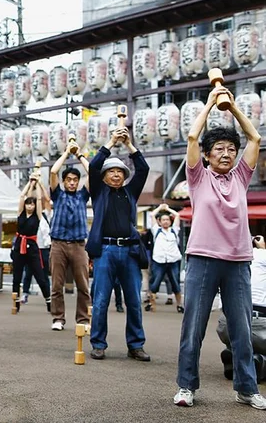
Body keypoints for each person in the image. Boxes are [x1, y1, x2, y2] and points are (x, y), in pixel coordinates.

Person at [173, 84, 266, 411]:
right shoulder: (198, 177)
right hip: (202, 260)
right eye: (220, 149)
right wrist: (212, 102)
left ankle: (247, 388)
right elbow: (192, 139)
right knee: (193, 328)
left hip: (239, 262)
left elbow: (254, 139)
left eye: (230, 149)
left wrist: (234, 109)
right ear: (209, 155)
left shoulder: (241, 177)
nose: (226, 154)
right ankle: (186, 386)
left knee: (242, 331)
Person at [87, 126, 150, 363]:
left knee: (134, 300)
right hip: (105, 250)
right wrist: (111, 142)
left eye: (120, 171)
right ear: (103, 177)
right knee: (101, 299)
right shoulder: (99, 192)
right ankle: (98, 344)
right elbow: (93, 166)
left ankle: (136, 345)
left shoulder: (130, 192)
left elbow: (143, 168)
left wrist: (129, 145)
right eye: (111, 171)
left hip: (130, 252)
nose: (116, 175)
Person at [48, 139, 91, 331]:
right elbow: (53, 172)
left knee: (83, 284)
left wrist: (79, 154)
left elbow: (93, 173)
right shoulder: (58, 195)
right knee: (57, 285)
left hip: (79, 244)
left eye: (75, 180)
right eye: (69, 180)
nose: (72, 182)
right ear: (64, 182)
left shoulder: (83, 195)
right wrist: (66, 153)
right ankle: (58, 318)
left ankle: (82, 320)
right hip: (57, 244)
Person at [217, 235, 266, 383]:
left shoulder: (228, 258)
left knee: (239, 333)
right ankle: (260, 361)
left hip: (226, 324)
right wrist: (263, 249)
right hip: (258, 325)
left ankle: (233, 354)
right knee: (255, 340)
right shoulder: (264, 255)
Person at [10, 175, 51, 312]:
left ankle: (48, 301)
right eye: (28, 203)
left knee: (40, 275)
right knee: (17, 276)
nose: (30, 206)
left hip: (32, 247)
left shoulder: (37, 216)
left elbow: (40, 199)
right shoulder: (20, 213)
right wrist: (30, 183)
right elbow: (22, 196)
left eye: (32, 204)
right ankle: (16, 303)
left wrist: (38, 184)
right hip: (19, 246)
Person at [147, 204, 183, 314]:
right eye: (163, 220)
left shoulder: (174, 231)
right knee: (155, 283)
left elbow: (177, 215)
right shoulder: (156, 230)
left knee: (175, 283)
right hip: (159, 260)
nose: (166, 222)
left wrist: (167, 209)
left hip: (173, 260)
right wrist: (160, 208)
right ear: (159, 221)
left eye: (167, 219)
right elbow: (152, 214)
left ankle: (180, 305)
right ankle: (151, 304)